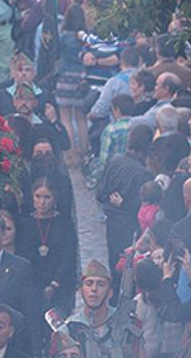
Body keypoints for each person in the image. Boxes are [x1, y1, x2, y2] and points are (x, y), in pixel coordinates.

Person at [16, 178, 78, 324]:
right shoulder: (25, 223)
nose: (42, 202)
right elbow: (22, 254)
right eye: (38, 197)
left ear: (54, 199)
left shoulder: (64, 223)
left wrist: (54, 283)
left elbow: (68, 254)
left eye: (46, 197)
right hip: (33, 283)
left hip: (59, 283)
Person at [96, 124, 155, 276]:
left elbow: (100, 192)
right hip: (130, 226)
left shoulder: (115, 161)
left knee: (116, 264)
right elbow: (142, 207)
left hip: (112, 223)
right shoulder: (145, 174)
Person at [60, 259, 140, 358]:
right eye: (89, 284)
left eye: (101, 284)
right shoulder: (70, 328)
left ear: (110, 293)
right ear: (81, 292)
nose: (94, 289)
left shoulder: (127, 324)